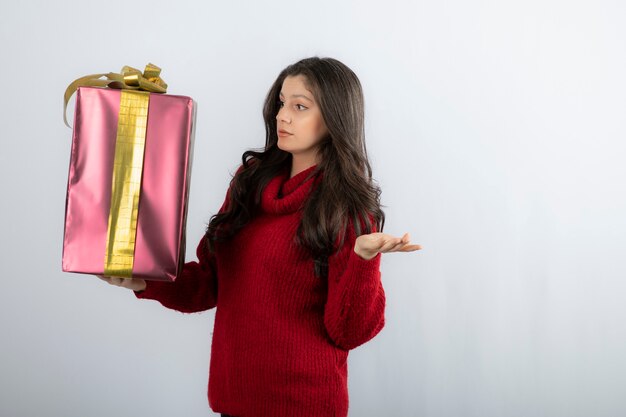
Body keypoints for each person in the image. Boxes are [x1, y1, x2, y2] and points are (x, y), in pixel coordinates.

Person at [100, 56, 421, 417]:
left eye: (300, 107)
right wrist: (144, 280)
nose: (282, 116)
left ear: (334, 119)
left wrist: (363, 259)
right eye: (282, 103)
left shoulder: (345, 208)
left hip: (303, 407)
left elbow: (349, 331)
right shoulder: (249, 183)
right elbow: (210, 283)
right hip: (232, 401)